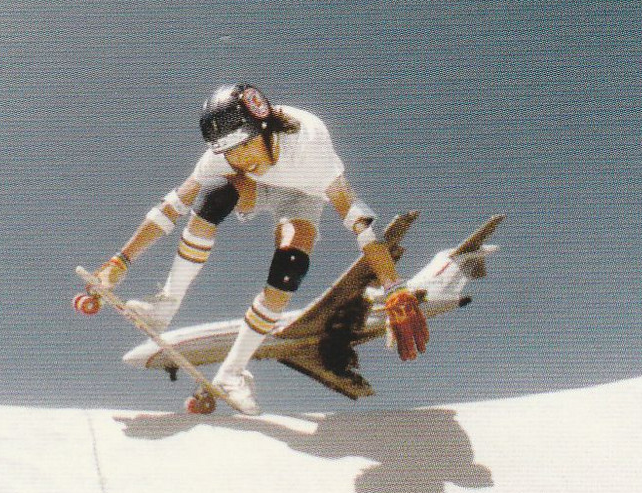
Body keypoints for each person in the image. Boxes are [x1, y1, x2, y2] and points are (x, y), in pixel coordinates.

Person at [90, 84, 429, 415]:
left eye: (244, 146)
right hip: (255, 189)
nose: (238, 158)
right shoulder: (226, 158)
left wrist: (394, 287)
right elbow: (172, 207)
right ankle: (165, 306)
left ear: (265, 128)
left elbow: (360, 224)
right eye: (228, 151)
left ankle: (232, 373)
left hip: (303, 196)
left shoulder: (310, 146)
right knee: (212, 198)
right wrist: (120, 260)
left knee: (290, 266)